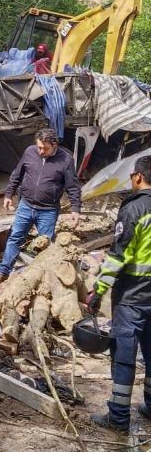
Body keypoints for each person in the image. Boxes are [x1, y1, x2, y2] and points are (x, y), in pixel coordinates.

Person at [88, 156, 151, 432]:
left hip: (132, 297)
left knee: (124, 357)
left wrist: (98, 292)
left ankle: (119, 417)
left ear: (137, 177)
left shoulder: (134, 209)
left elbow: (117, 258)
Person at [0, 128, 81, 285]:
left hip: (48, 210)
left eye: (44, 148)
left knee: (45, 245)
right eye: (39, 147)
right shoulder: (30, 152)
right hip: (25, 205)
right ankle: (3, 271)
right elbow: (17, 174)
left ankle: (43, 279)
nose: (40, 151)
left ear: (55, 145)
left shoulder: (66, 160)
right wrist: (8, 194)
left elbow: (73, 186)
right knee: (15, 238)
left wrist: (75, 209)